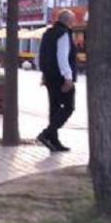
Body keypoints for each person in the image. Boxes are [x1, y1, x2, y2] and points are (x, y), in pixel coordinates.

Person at [37, 9, 77, 152]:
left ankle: (54, 140)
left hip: (49, 76)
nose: (74, 22)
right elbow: (62, 57)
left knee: (54, 109)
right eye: (73, 20)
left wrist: (44, 74)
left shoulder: (48, 33)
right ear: (67, 21)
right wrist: (68, 78)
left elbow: (41, 55)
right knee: (68, 107)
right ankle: (46, 134)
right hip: (61, 77)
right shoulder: (63, 34)